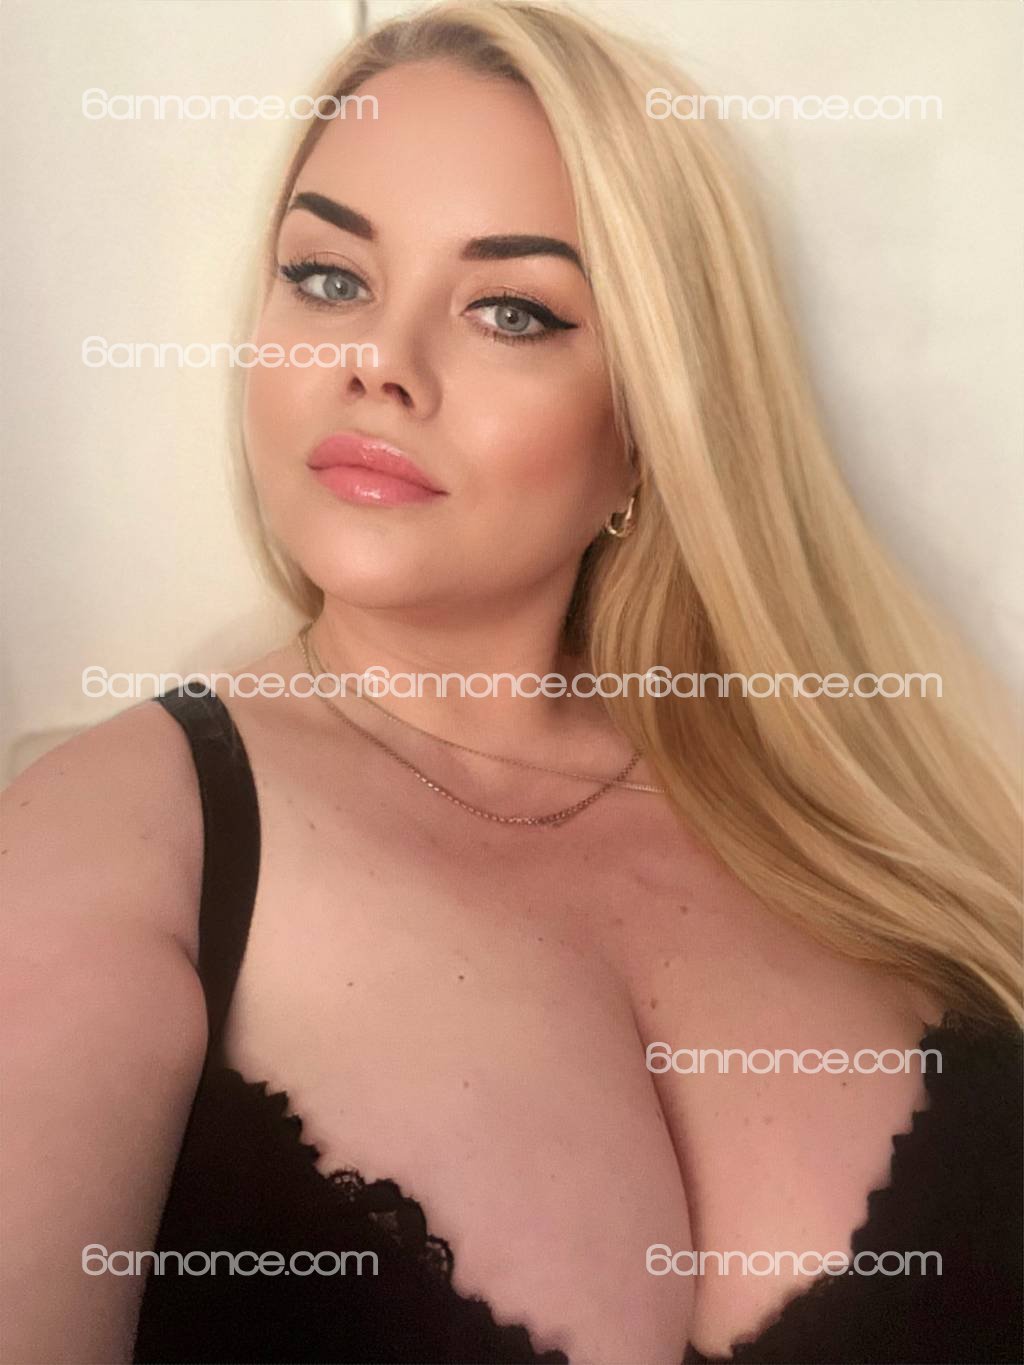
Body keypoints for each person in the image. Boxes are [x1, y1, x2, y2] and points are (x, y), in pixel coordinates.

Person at [2, 3, 1020, 1363]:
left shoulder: (875, 823)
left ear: (652, 426)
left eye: (511, 310)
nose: (378, 362)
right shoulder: (107, 845)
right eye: (328, 277)